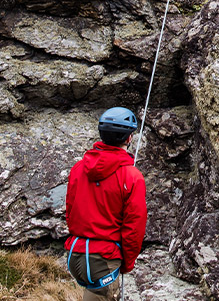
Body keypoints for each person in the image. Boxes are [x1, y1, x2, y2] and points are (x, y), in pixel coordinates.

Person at [64, 107, 147, 301]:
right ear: (129, 138)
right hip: (103, 260)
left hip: (76, 254)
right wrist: (127, 262)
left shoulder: (79, 168)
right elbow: (134, 226)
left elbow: (70, 211)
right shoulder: (131, 176)